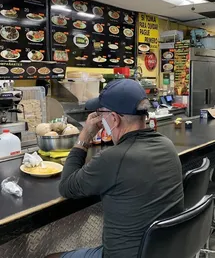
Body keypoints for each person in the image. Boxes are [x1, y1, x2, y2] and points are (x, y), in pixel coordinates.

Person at [47, 79, 184, 258]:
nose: (100, 119)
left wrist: (85, 136)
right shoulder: (167, 145)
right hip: (167, 251)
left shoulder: (113, 158)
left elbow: (66, 186)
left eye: (102, 113)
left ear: (114, 119)